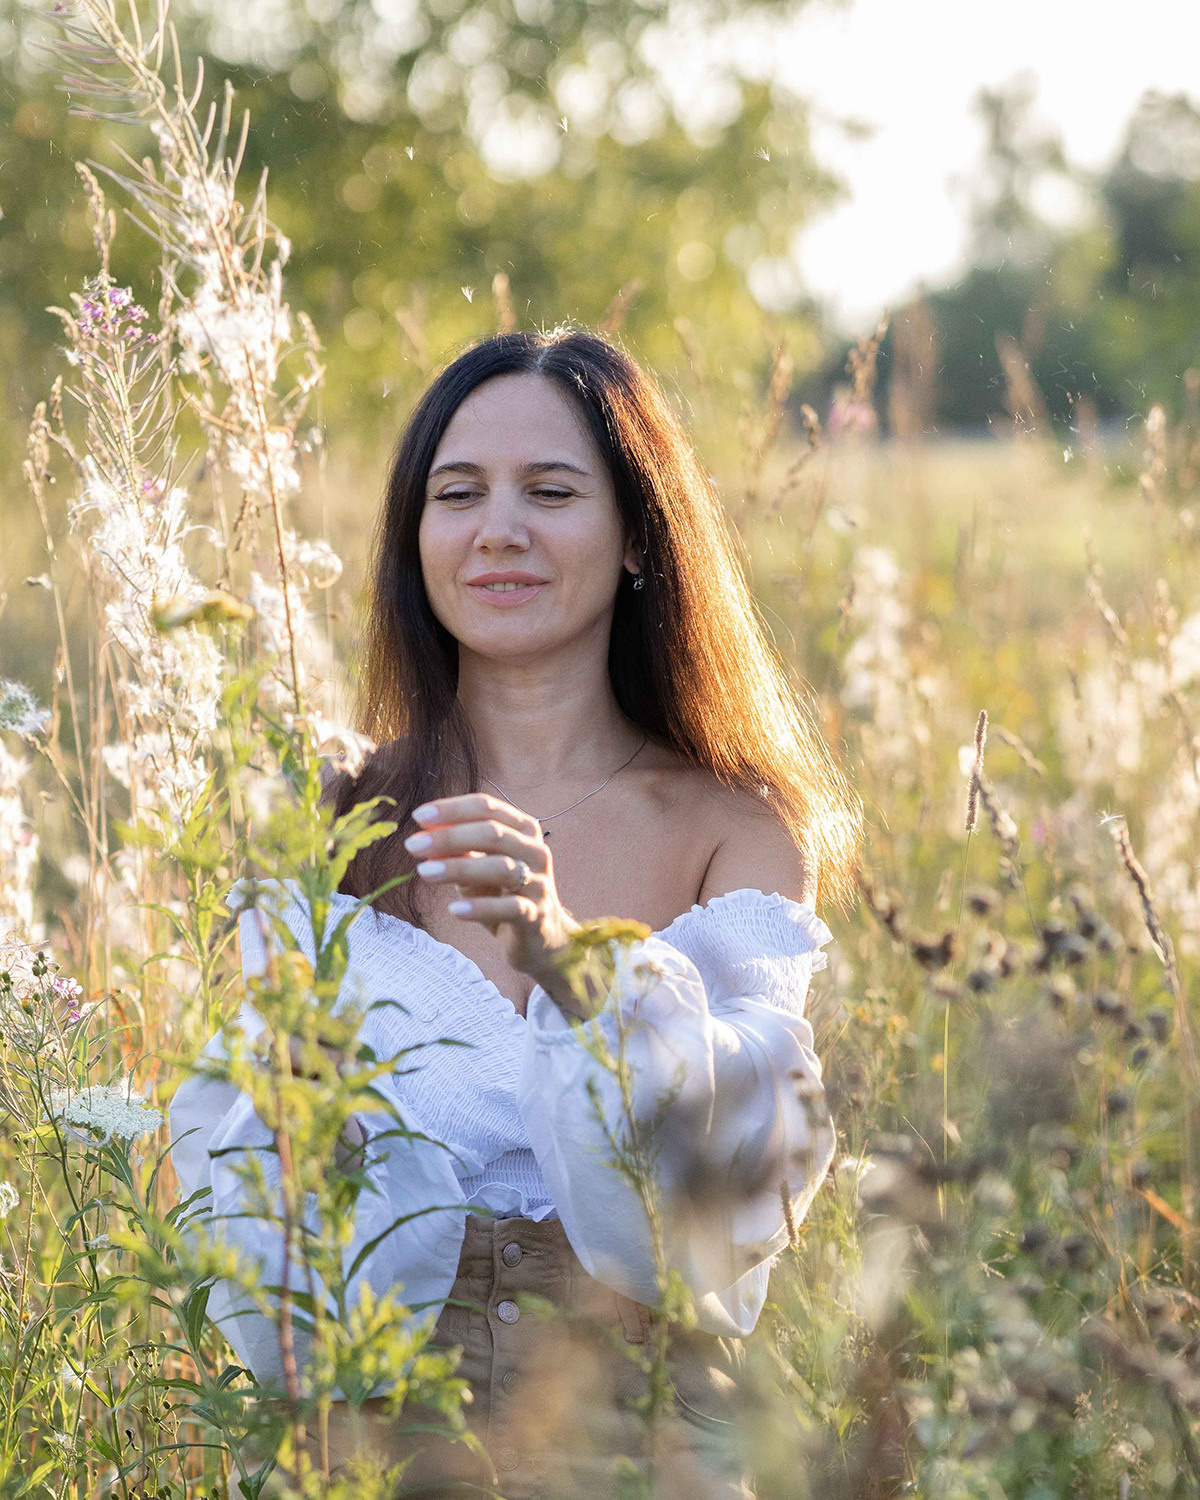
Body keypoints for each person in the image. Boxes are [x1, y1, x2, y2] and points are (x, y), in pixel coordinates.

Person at [169, 327, 862, 1499]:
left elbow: (743, 1191)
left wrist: (577, 966)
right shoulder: (330, 811)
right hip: (366, 1424)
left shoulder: (734, 823)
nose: (498, 530)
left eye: (550, 491)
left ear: (638, 535)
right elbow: (242, 1210)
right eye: (457, 495)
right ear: (415, 538)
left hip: (637, 1424)